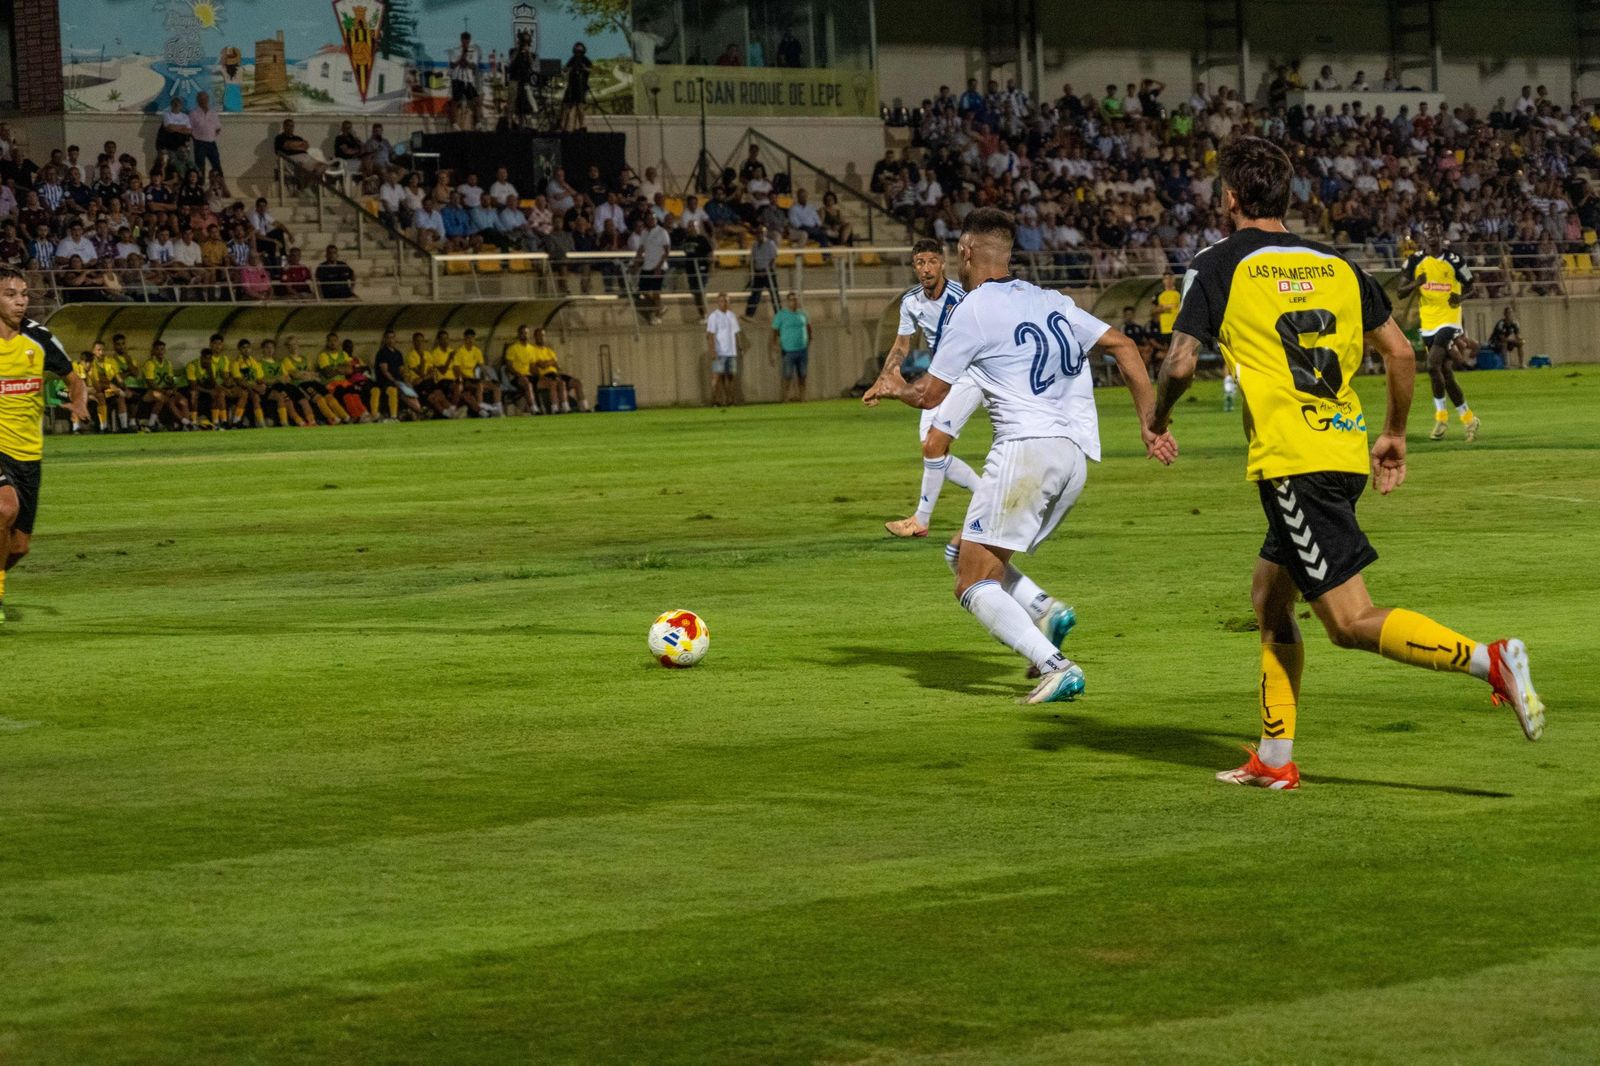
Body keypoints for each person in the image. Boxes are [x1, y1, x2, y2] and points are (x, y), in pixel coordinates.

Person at [1150, 137, 1543, 791]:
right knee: (1268, 598)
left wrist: (1157, 419)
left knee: (1348, 622)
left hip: (1293, 462)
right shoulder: (1336, 264)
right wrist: (1393, 433)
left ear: (1230, 199)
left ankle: (1490, 661)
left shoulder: (1218, 265)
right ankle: (1274, 761)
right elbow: (1400, 353)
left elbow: (1181, 363)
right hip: (1342, 448)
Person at [865, 208, 1173, 703]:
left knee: (970, 581)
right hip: (1073, 459)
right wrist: (1149, 425)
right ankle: (1046, 612)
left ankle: (1055, 666)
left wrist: (894, 387)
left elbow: (929, 394)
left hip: (1025, 453)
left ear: (964, 252)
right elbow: (1125, 346)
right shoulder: (1051, 299)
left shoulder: (972, 310)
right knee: (960, 549)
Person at [867, 240, 980, 539]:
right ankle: (989, 497)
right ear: (914, 266)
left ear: (942, 264)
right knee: (931, 451)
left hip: (970, 375)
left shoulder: (964, 296)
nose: (926, 268)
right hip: (939, 376)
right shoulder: (911, 302)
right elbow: (901, 346)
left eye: (931, 261)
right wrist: (883, 381)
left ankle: (921, 520)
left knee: (933, 446)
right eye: (920, 262)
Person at [0, 267, 88, 622]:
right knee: (4, 508)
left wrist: (79, 401)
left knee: (19, 547)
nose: (20, 301)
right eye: (10, 294)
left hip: (28, 453)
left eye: (23, 295)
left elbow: (74, 380)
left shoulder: (40, 338)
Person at [1399, 222, 1480, 441]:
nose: (1431, 237)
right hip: (1428, 322)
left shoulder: (1454, 261)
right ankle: (1468, 418)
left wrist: (1460, 297)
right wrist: (1416, 284)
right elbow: (1400, 293)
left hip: (1450, 320)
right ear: (1422, 237)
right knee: (1445, 373)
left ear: (1440, 235)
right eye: (1427, 233)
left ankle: (1441, 417)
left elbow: (1472, 286)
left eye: (1435, 232)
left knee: (1432, 364)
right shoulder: (1415, 261)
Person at [527, 329, 586, 412]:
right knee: (555, 383)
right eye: (539, 335)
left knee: (577, 382)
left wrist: (546, 363)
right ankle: (555, 408)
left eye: (543, 335)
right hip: (545, 375)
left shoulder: (549, 350)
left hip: (555, 373)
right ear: (535, 337)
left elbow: (557, 366)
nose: (541, 338)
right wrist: (550, 362)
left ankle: (583, 407)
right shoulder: (532, 350)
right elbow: (541, 365)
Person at [770, 292, 811, 402]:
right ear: (788, 302)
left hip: (802, 349)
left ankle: (802, 397)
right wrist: (774, 345)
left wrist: (808, 341)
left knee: (802, 375)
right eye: (792, 300)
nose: (794, 302)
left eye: (796, 299)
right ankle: (785, 398)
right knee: (787, 375)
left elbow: (808, 327)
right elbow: (774, 331)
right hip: (788, 350)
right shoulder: (781, 315)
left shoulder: (803, 314)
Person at [706, 293, 742, 407]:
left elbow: (736, 333)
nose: (724, 303)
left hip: (731, 352)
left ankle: (730, 400)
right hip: (720, 351)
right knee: (717, 377)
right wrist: (712, 350)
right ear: (718, 302)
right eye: (722, 301)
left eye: (726, 301)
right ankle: (715, 400)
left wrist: (739, 347)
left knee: (730, 377)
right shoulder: (714, 316)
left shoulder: (732, 315)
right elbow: (710, 335)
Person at [449, 31, 483, 130]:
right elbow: (452, 64)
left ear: (469, 40)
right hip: (457, 78)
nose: (465, 42)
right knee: (455, 101)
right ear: (461, 40)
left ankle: (478, 122)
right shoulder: (455, 50)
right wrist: (461, 58)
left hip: (468, 80)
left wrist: (466, 62)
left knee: (476, 100)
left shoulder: (473, 51)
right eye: (464, 40)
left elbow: (473, 66)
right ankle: (454, 123)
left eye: (467, 40)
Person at [744, 226, 779, 317]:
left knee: (774, 294)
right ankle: (749, 314)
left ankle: (779, 314)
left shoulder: (770, 244)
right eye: (758, 233)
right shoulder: (754, 245)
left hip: (768, 272)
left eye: (762, 233)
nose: (760, 235)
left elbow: (773, 258)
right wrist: (753, 272)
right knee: (754, 294)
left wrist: (767, 270)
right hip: (758, 271)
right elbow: (753, 259)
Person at [188, 91, 223, 181]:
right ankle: (200, 185)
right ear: (198, 100)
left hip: (211, 143)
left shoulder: (213, 113)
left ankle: (220, 185)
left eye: (205, 99)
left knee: (216, 164)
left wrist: (211, 135)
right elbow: (189, 128)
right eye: (201, 99)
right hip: (199, 143)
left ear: (208, 100)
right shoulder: (193, 113)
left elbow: (218, 127)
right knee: (200, 166)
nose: (203, 101)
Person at [560, 42, 593, 132]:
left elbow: (590, 69)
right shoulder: (573, 59)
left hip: (581, 85)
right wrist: (567, 70)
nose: (578, 53)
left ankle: (582, 126)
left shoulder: (585, 59)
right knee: (567, 105)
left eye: (580, 51)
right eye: (577, 50)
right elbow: (566, 69)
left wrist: (584, 68)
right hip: (572, 85)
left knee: (580, 106)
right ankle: (566, 127)